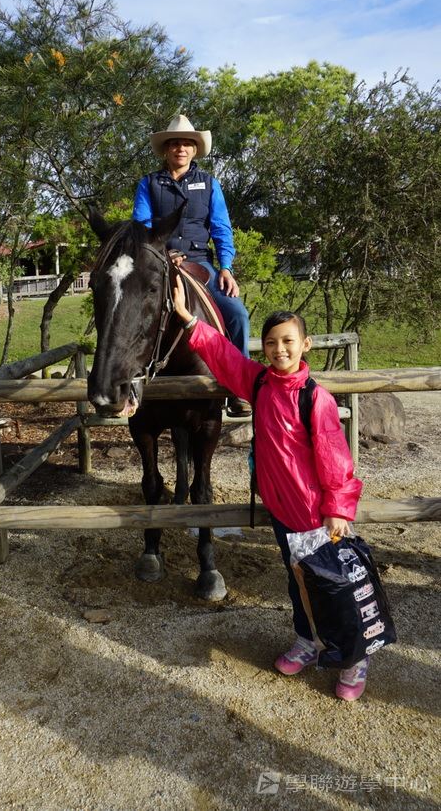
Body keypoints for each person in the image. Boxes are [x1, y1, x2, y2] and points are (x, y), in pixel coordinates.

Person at [172, 276, 369, 702]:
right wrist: (188, 319)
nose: (280, 349)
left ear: (305, 345)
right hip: (282, 512)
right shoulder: (259, 384)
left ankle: (354, 659)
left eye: (288, 341)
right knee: (299, 582)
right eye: (271, 343)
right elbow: (224, 356)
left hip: (316, 514)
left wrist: (338, 508)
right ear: (263, 348)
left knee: (333, 587)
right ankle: (308, 641)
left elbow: (335, 456)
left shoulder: (314, 398)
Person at [133, 114, 251, 416]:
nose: (180, 148)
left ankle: (240, 386)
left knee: (237, 314)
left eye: (186, 143)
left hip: (200, 263)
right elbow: (142, 226)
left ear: (195, 149)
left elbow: (221, 228)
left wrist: (226, 268)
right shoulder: (148, 184)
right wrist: (161, 253)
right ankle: (124, 383)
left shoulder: (210, 184)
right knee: (127, 311)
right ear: (166, 149)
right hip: (161, 261)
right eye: (174, 143)